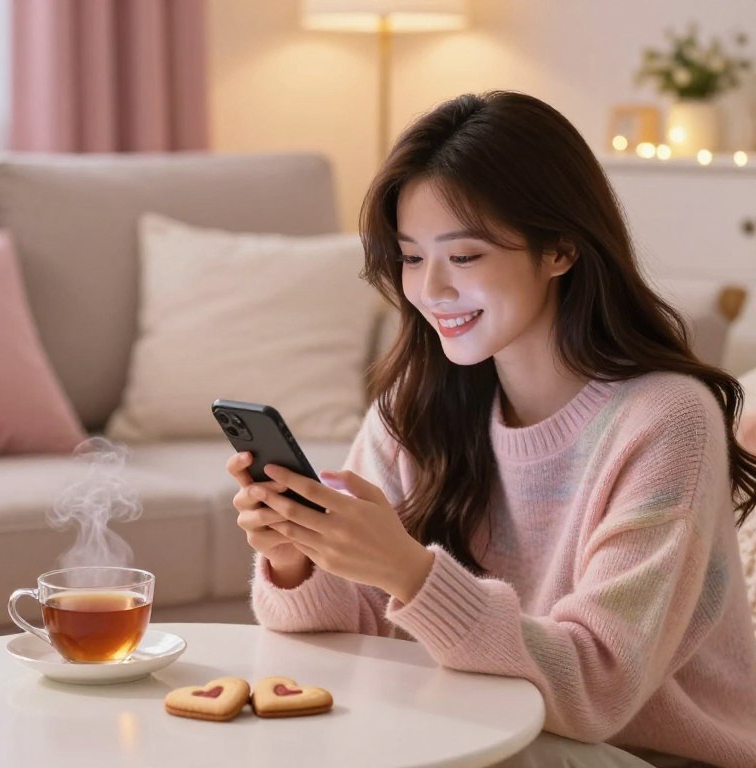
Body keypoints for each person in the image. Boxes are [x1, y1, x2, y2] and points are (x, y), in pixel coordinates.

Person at [225, 91, 756, 767]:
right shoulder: (413, 406)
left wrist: (410, 574)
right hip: (472, 728)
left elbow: (597, 688)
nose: (431, 290)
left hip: (641, 752)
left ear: (560, 248)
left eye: (465, 257)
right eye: (413, 258)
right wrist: (298, 556)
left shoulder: (667, 420)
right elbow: (338, 645)